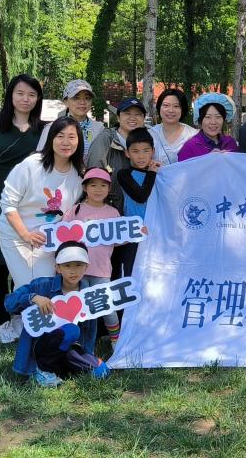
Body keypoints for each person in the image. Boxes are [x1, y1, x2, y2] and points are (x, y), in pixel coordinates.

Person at [0, 74, 44, 345]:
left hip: (31, 205)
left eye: (32, 95)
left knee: (25, 264)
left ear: (38, 99)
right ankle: (2, 322)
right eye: (20, 93)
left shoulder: (43, 130)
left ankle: (19, 316)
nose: (26, 99)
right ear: (10, 96)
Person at [4, 242, 109, 387]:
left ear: (86, 267)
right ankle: (42, 369)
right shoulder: (42, 285)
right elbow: (9, 303)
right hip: (42, 346)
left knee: (101, 372)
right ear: (57, 267)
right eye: (67, 265)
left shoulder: (89, 294)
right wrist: (33, 298)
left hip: (70, 348)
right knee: (71, 330)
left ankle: (59, 369)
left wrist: (86, 355)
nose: (73, 271)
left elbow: (90, 331)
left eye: (79, 265)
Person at [0, 116, 85, 289]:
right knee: (26, 286)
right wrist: (25, 234)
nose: (66, 142)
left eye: (71, 137)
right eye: (60, 136)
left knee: (45, 286)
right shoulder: (32, 165)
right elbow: (8, 203)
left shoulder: (78, 175)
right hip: (16, 234)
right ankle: (19, 307)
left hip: (46, 240)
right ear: (51, 138)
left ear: (79, 141)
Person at [64, 168, 122, 349]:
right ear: (85, 188)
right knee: (76, 307)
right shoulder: (75, 211)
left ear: (109, 188)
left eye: (103, 185)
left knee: (107, 307)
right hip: (76, 271)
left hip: (101, 270)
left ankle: (116, 342)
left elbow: (119, 239)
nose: (98, 189)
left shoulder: (113, 213)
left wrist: (136, 232)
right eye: (93, 185)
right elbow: (62, 236)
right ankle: (74, 341)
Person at [87, 96, 149, 206]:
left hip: (141, 208)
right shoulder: (105, 139)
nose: (132, 118)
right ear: (118, 117)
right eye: (127, 113)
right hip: (112, 208)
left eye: (138, 114)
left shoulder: (150, 139)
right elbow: (94, 176)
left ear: (144, 118)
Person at [113, 128, 157, 280]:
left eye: (146, 151)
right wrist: (152, 173)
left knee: (154, 274)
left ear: (153, 151)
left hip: (155, 233)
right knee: (131, 274)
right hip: (132, 233)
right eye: (135, 151)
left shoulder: (160, 173)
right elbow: (141, 196)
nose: (141, 156)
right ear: (127, 153)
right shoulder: (123, 174)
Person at [37, 79, 104, 160]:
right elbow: (40, 159)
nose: (82, 102)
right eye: (76, 98)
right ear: (65, 102)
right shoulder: (51, 128)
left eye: (87, 98)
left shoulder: (99, 129)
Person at [178, 93, 238, 161]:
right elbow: (182, 167)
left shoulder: (230, 143)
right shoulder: (189, 147)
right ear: (200, 120)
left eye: (218, 117)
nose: (213, 122)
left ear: (224, 119)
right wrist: (207, 161)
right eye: (208, 117)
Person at [149, 88, 196, 166]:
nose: (171, 110)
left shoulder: (192, 135)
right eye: (166, 105)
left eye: (176, 106)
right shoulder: (150, 134)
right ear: (159, 107)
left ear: (182, 110)